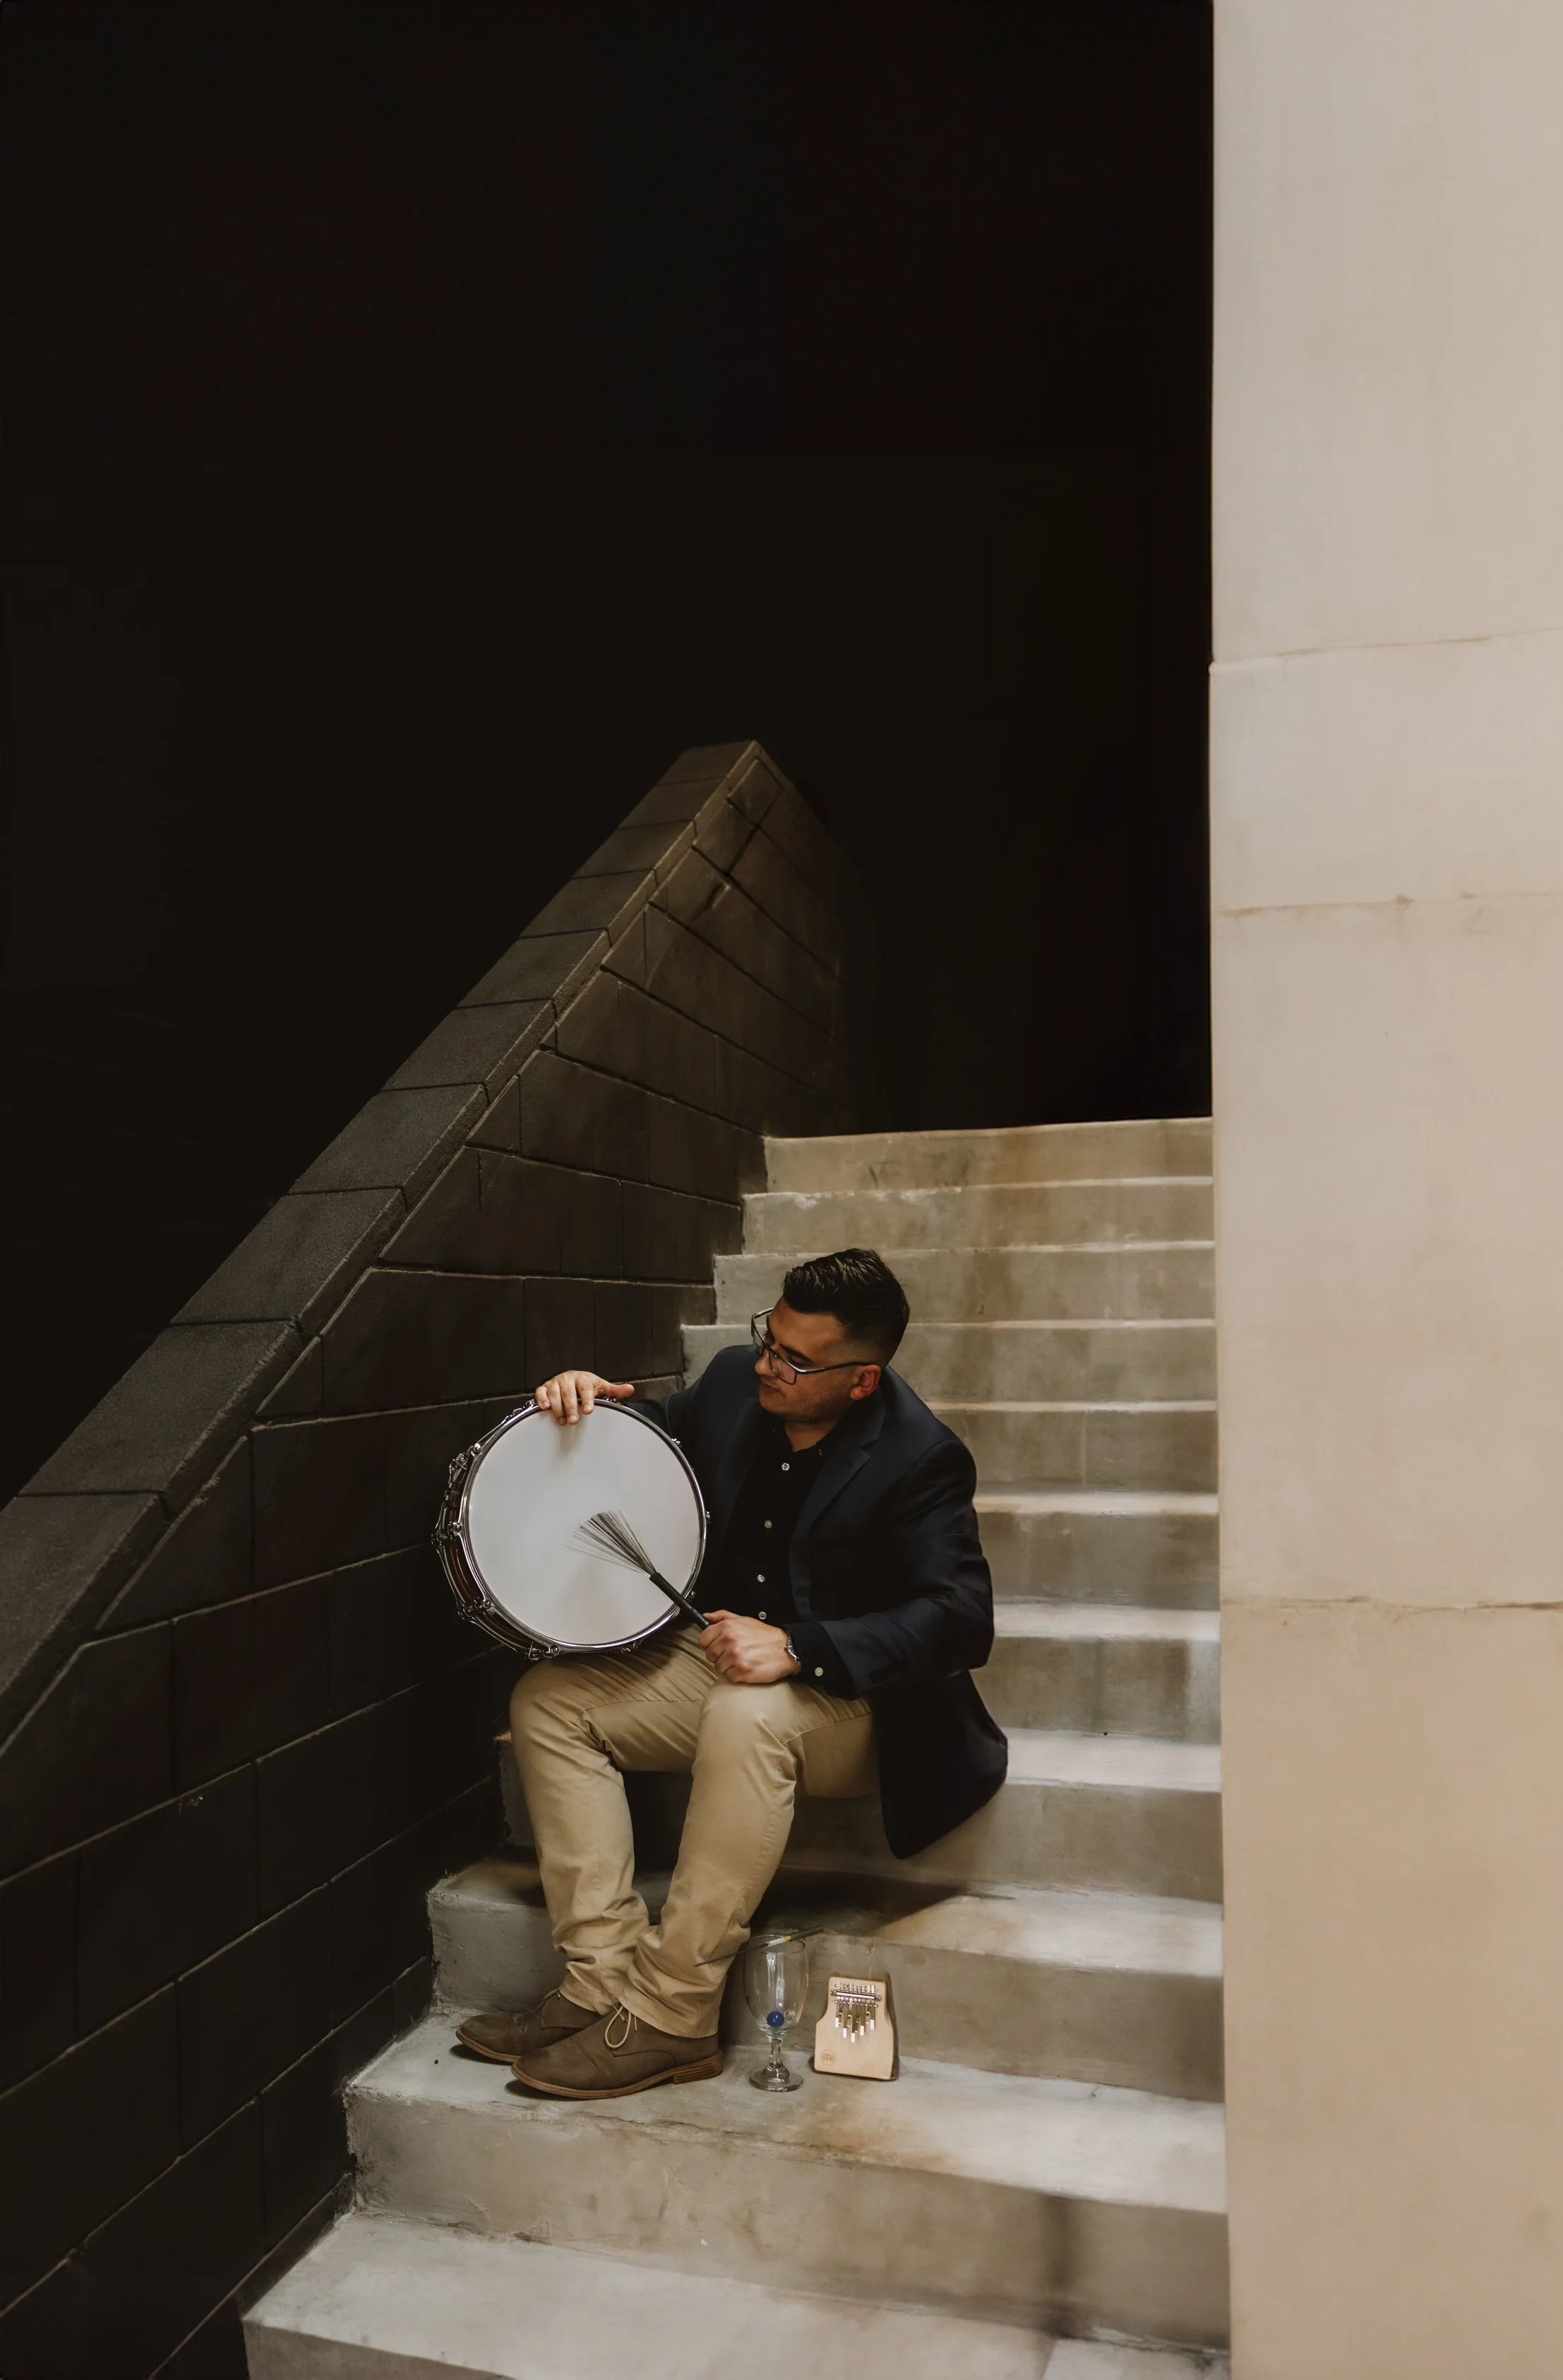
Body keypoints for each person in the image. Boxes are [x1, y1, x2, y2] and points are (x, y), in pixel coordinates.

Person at [457, 1246, 1006, 2100]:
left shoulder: (921, 1456)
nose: (766, 1364)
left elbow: (962, 1617)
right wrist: (584, 1404)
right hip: (722, 1662)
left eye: (796, 1359)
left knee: (745, 1718)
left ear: (861, 1380)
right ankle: (601, 1980)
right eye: (768, 1337)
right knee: (552, 1699)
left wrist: (799, 1645)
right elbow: (649, 1439)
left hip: (858, 1702)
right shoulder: (729, 1384)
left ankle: (674, 2012)